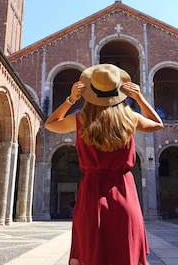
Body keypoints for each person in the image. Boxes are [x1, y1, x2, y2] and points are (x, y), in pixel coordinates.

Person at [45, 64, 164, 265]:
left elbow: (51, 123)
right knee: (124, 252)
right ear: (119, 92)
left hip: (91, 195)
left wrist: (71, 99)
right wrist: (139, 98)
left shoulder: (80, 119)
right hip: (125, 193)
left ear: (90, 93)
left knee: (91, 253)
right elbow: (157, 123)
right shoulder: (131, 118)